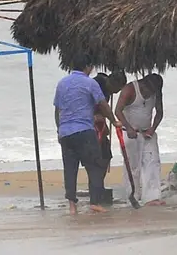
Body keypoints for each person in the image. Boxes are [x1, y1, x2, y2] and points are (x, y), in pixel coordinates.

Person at [54, 61, 121, 215]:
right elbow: (103, 104)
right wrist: (114, 121)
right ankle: (94, 203)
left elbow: (57, 110)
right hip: (84, 131)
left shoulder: (62, 83)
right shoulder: (90, 83)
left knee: (70, 169)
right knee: (95, 166)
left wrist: (59, 129)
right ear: (88, 67)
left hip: (66, 133)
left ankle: (72, 206)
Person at [114, 73, 165, 206]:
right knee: (132, 166)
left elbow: (159, 112)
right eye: (148, 91)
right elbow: (117, 111)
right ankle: (133, 196)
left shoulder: (156, 92)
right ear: (143, 84)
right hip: (130, 133)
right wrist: (128, 127)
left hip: (147, 132)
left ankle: (152, 197)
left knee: (152, 162)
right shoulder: (129, 90)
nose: (149, 95)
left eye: (153, 92)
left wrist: (152, 129)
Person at [92, 72, 128, 171]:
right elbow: (101, 106)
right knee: (97, 156)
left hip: (98, 122)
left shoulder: (107, 89)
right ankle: (96, 184)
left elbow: (103, 110)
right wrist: (113, 121)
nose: (116, 93)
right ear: (112, 82)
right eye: (117, 89)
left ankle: (98, 183)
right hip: (88, 122)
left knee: (106, 154)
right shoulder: (96, 84)